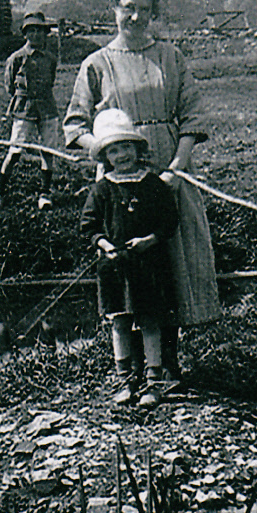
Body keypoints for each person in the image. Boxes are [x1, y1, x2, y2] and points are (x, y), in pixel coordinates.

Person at [64, 0, 220, 386]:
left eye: (144, 10)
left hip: (167, 171)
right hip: (118, 181)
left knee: (170, 261)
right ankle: (129, 370)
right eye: (127, 7)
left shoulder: (170, 57)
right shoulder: (96, 63)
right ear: (113, 10)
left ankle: (167, 365)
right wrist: (108, 149)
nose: (134, 17)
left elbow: (192, 116)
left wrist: (175, 168)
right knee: (124, 265)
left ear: (154, 15)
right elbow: (75, 124)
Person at [81, 109, 179, 407]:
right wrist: (104, 244)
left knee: (150, 322)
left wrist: (150, 240)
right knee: (120, 323)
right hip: (114, 269)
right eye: (114, 150)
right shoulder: (102, 189)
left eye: (126, 147)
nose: (121, 154)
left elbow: (170, 221)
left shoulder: (153, 185)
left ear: (137, 150)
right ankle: (125, 380)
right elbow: (88, 226)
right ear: (106, 157)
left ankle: (154, 381)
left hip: (149, 267)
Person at [0, 10, 62, 213]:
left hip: (48, 109)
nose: (37, 35)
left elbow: (51, 81)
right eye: (32, 31)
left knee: (48, 151)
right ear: (25, 34)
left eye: (41, 31)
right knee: (15, 151)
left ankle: (45, 193)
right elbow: (10, 86)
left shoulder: (50, 58)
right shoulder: (16, 58)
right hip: (24, 110)